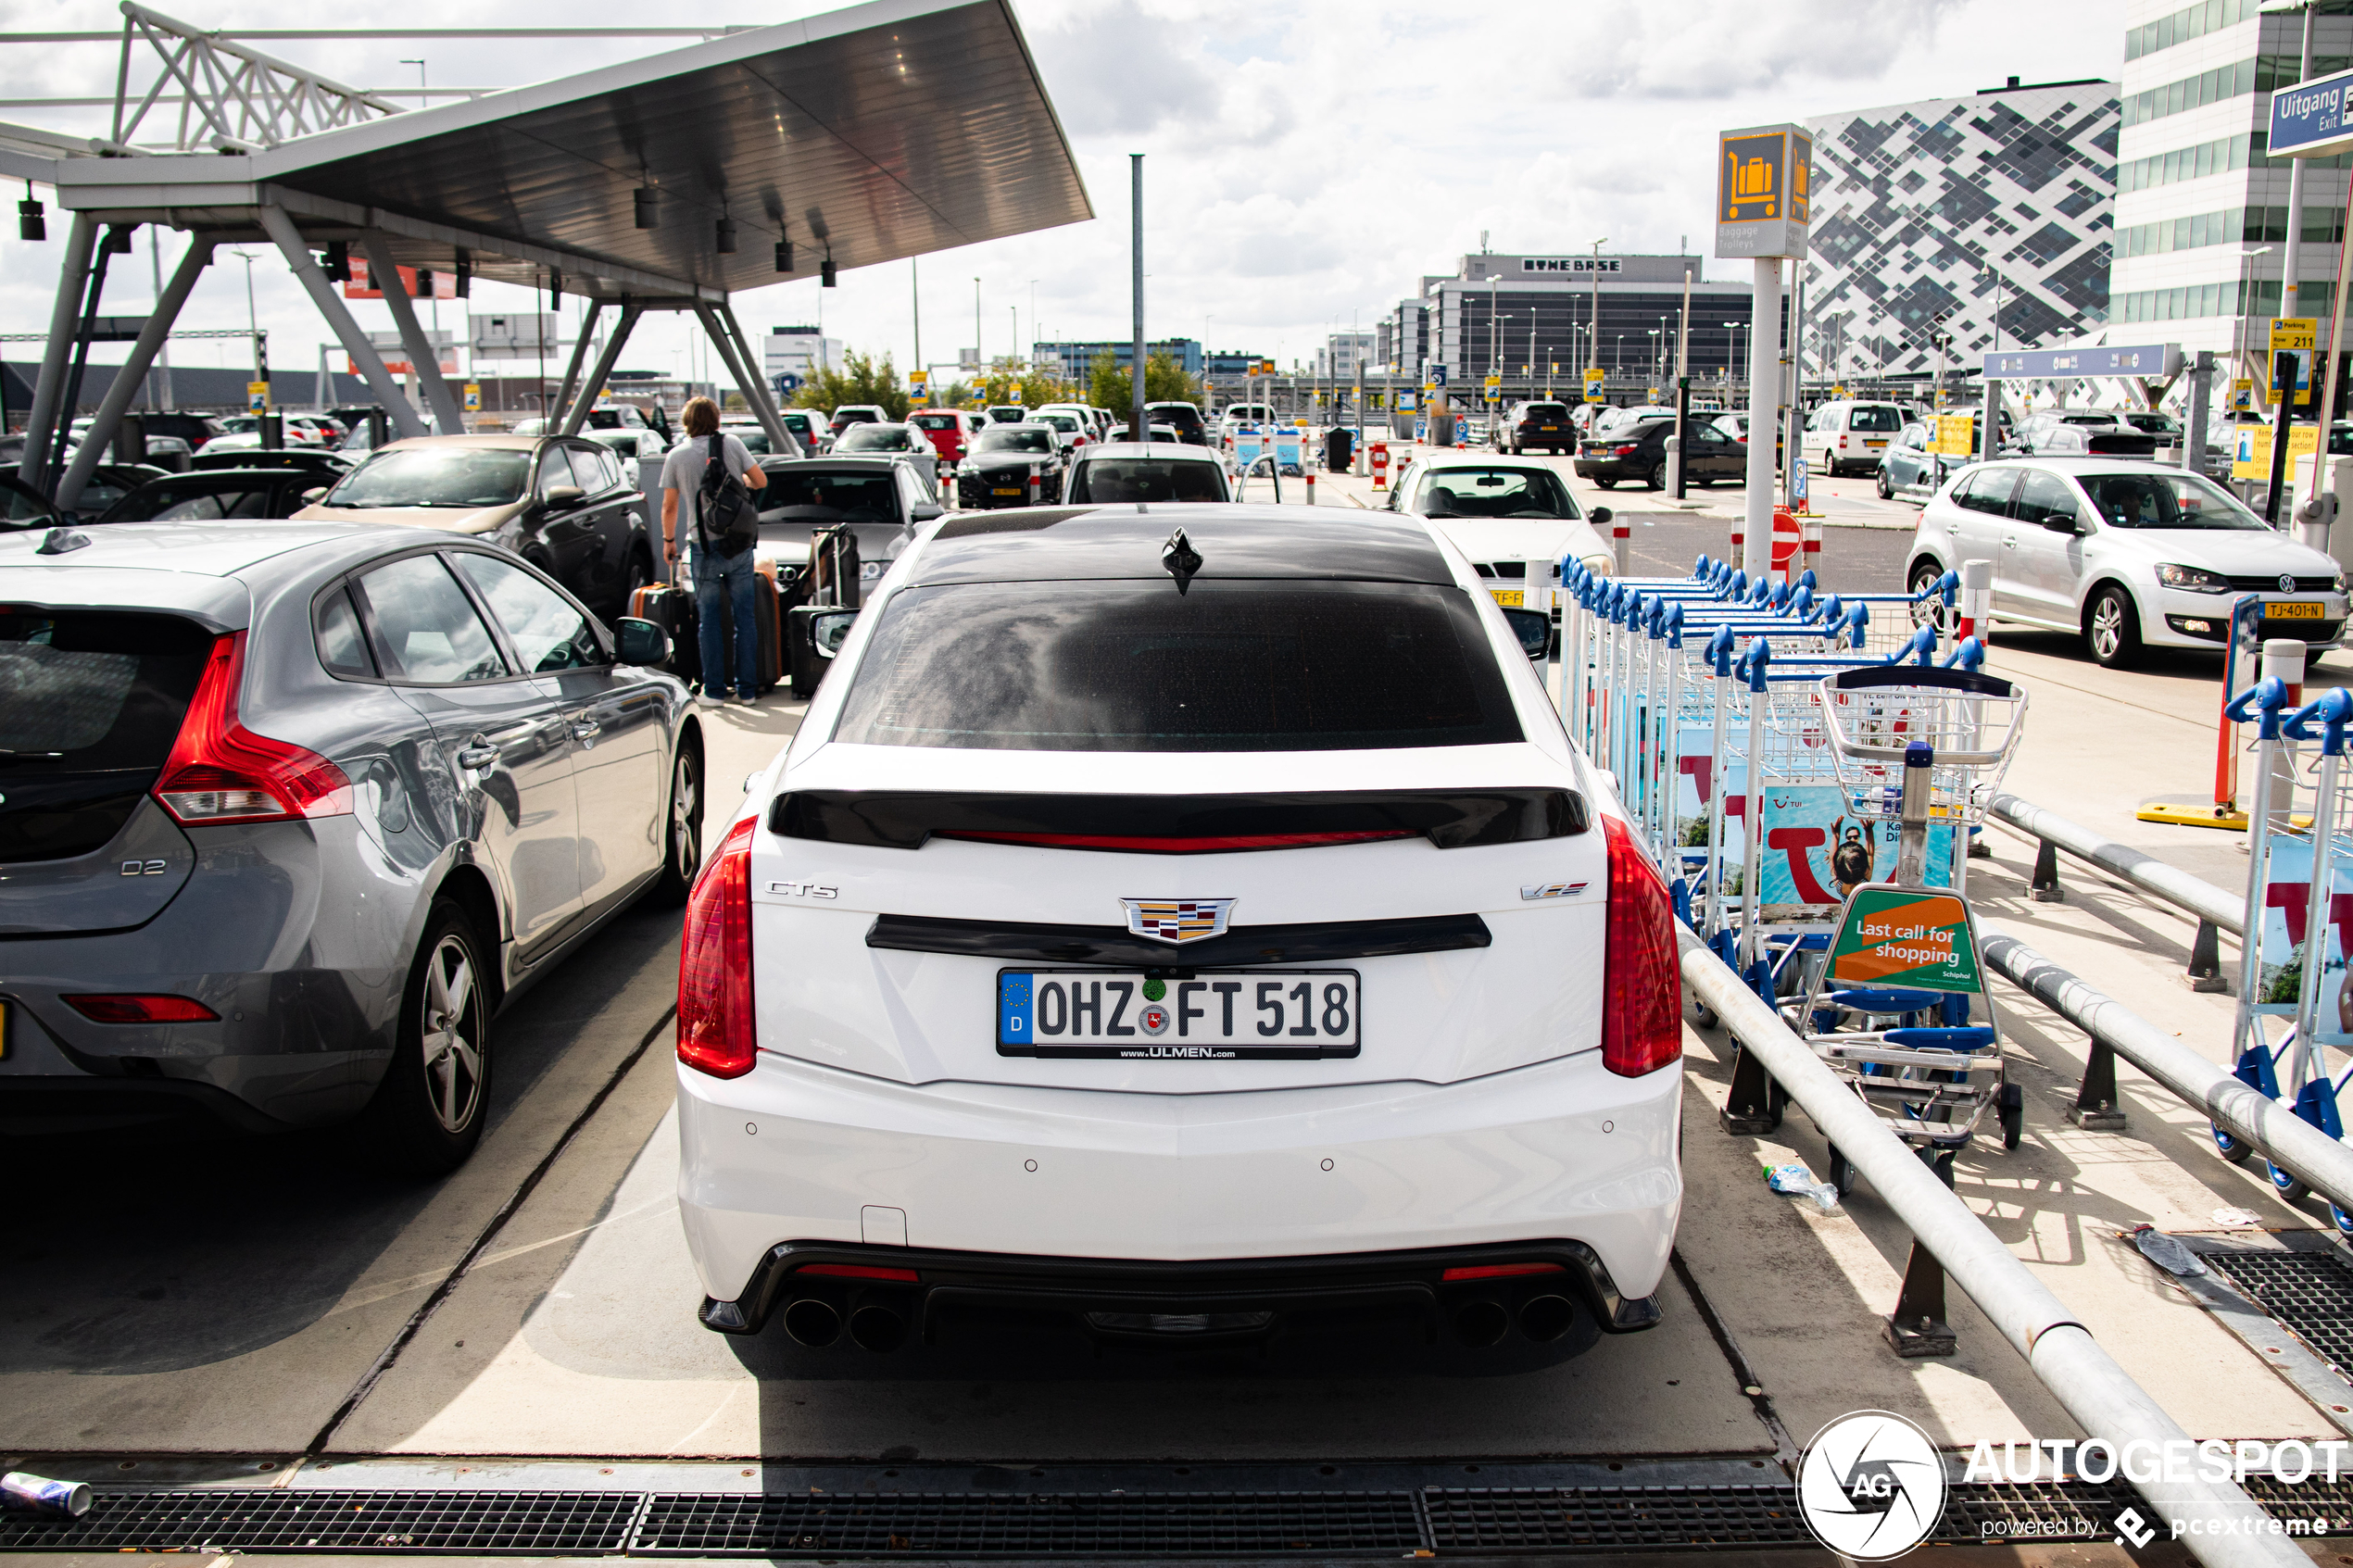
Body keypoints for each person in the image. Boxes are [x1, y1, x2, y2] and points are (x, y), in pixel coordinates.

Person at [661, 396, 769, 707]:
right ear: (716, 419)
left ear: (686, 421)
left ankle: (714, 692)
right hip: (738, 544)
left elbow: (670, 506)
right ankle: (747, 691)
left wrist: (669, 541)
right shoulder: (732, 444)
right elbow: (760, 481)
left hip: (703, 546)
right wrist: (737, 481)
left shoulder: (677, 455)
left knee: (707, 619)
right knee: (744, 617)